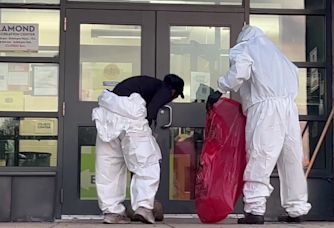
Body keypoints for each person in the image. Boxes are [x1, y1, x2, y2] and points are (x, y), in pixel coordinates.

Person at [206, 25, 311, 224]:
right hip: (289, 109)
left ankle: (255, 210)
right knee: (291, 159)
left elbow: (240, 71)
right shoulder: (280, 57)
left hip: (265, 108)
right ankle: (296, 209)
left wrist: (220, 89)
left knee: (260, 155)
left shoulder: (246, 47)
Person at [92, 74, 184, 224]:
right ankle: (144, 207)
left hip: (107, 114)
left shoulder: (144, 83)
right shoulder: (165, 89)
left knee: (109, 165)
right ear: (174, 91)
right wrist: (147, 128)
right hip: (131, 115)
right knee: (147, 162)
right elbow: (153, 108)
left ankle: (112, 212)